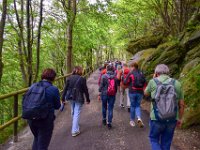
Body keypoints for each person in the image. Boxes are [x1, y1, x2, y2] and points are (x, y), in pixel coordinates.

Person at [144, 64, 185, 150]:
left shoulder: (153, 81)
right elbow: (181, 104)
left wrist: (153, 78)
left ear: (156, 73)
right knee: (166, 142)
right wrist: (180, 119)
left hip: (156, 117)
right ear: (167, 72)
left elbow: (146, 93)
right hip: (172, 118)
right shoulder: (177, 83)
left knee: (154, 139)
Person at [27, 69, 61, 150]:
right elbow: (57, 106)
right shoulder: (53, 89)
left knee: (37, 139)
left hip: (31, 118)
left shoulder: (33, 86)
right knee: (43, 145)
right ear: (53, 78)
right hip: (45, 120)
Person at [62, 66, 90, 137]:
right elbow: (85, 90)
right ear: (80, 71)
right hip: (79, 97)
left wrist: (63, 98)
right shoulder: (82, 79)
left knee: (73, 110)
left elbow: (65, 89)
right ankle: (74, 130)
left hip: (70, 96)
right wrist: (87, 99)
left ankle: (75, 124)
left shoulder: (69, 78)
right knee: (76, 112)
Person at [124, 62, 146, 128]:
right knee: (138, 106)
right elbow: (145, 83)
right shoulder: (141, 73)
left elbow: (125, 82)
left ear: (133, 66)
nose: (130, 68)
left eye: (130, 67)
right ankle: (139, 118)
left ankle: (132, 121)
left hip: (132, 92)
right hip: (140, 92)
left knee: (133, 106)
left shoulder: (130, 73)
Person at [99, 64, 117, 129]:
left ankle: (104, 119)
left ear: (107, 69)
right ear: (112, 69)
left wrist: (99, 91)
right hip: (112, 94)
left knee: (104, 107)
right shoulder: (115, 77)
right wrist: (115, 92)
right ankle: (109, 123)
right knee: (110, 108)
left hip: (104, 94)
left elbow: (101, 86)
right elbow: (115, 86)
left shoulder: (103, 76)